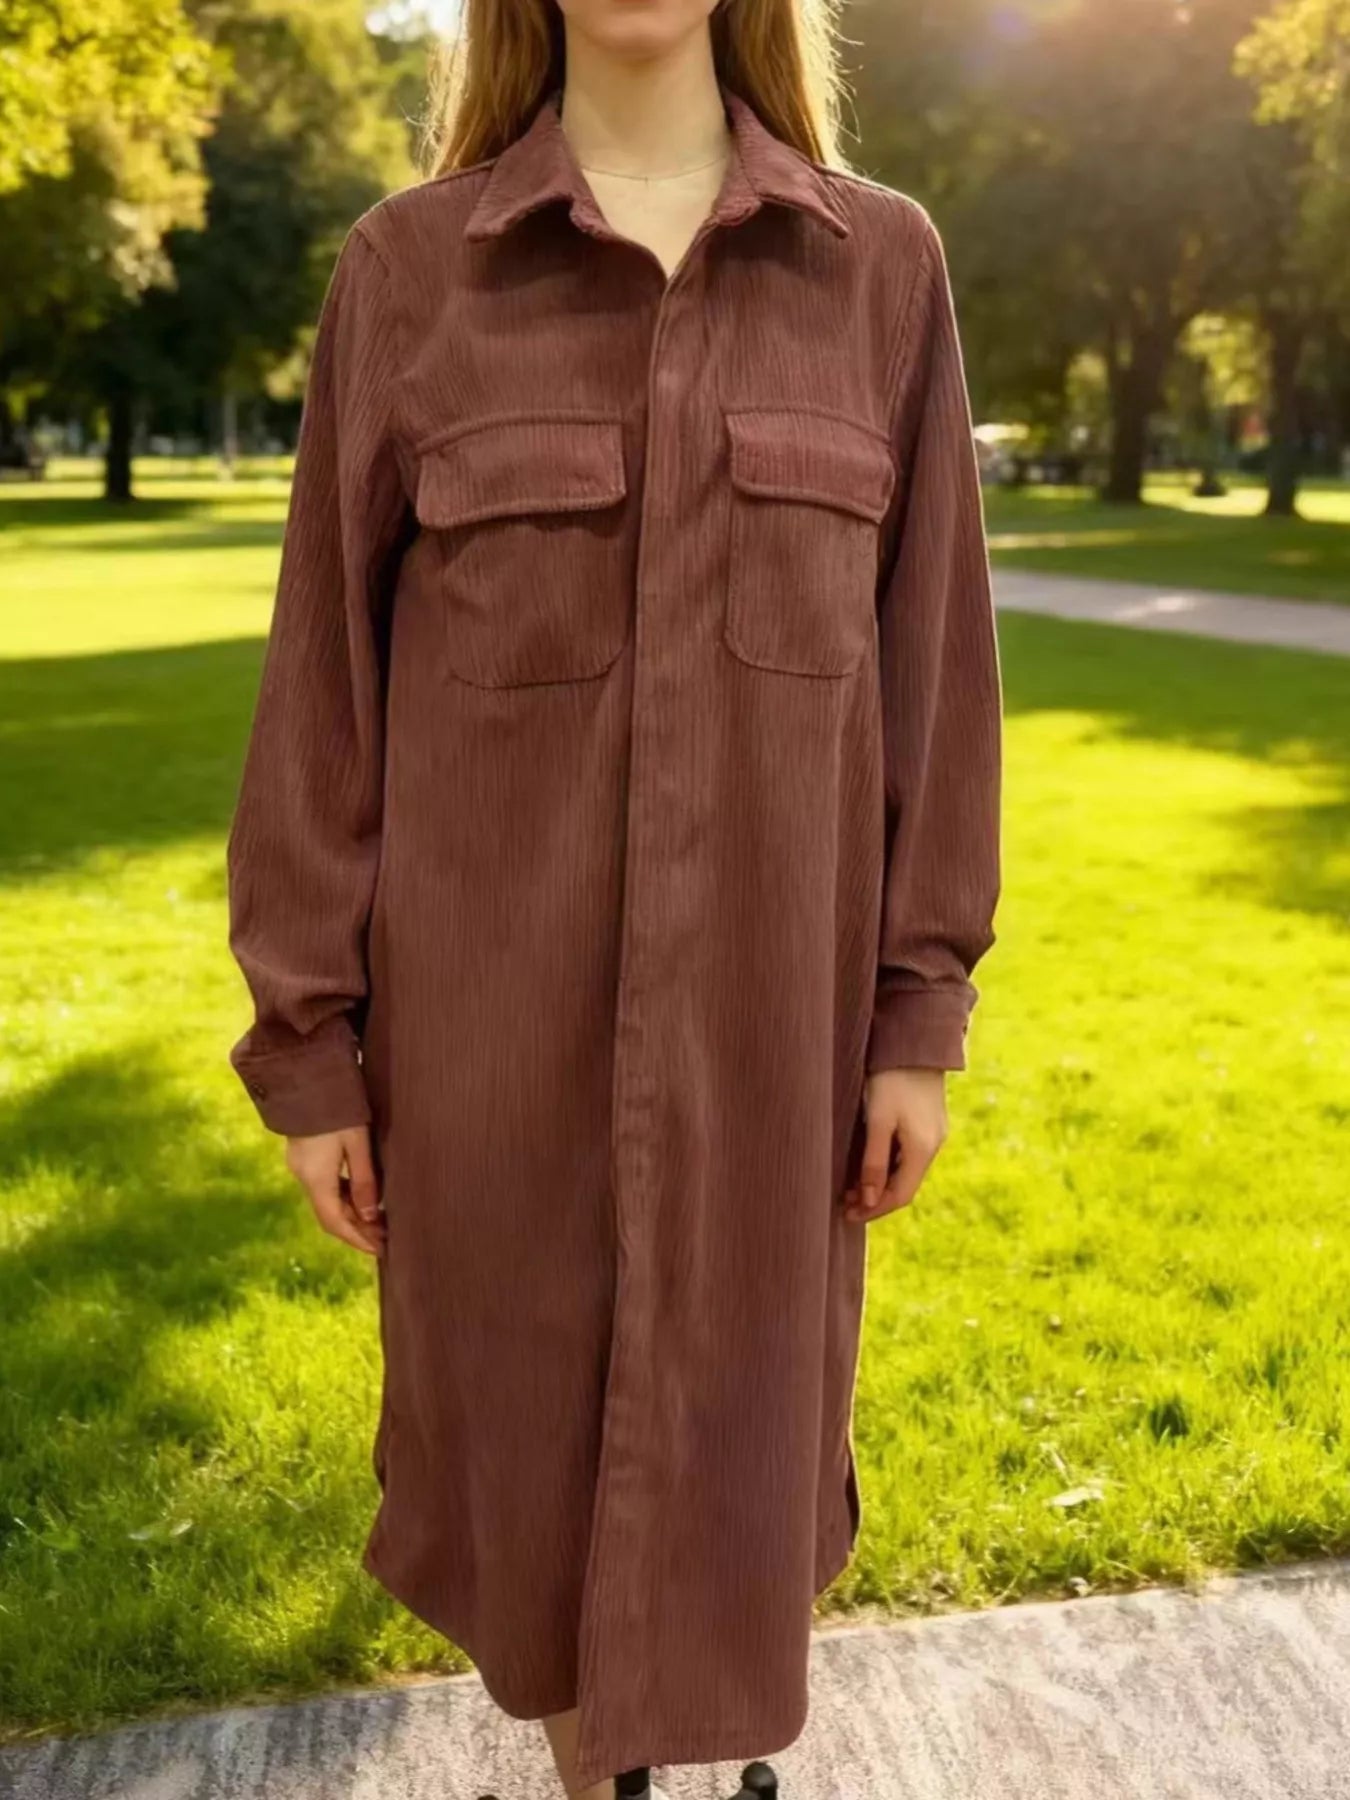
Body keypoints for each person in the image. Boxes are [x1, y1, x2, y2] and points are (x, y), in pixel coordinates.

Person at [223, 0, 1003, 1795]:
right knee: (535, 1493)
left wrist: (915, 1012)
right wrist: (312, 1050)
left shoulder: (879, 268)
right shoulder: (408, 274)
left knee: (735, 1466)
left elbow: (934, 680)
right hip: (493, 1060)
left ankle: (710, 1769)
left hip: (769, 1055)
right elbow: (319, 698)